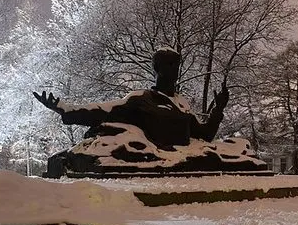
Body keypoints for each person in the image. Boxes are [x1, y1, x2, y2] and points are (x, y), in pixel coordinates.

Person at [33, 48, 228, 149]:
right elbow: (103, 112)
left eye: (176, 64)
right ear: (157, 68)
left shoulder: (181, 104)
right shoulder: (141, 100)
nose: (174, 69)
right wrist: (65, 109)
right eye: (169, 64)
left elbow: (203, 135)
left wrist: (218, 110)